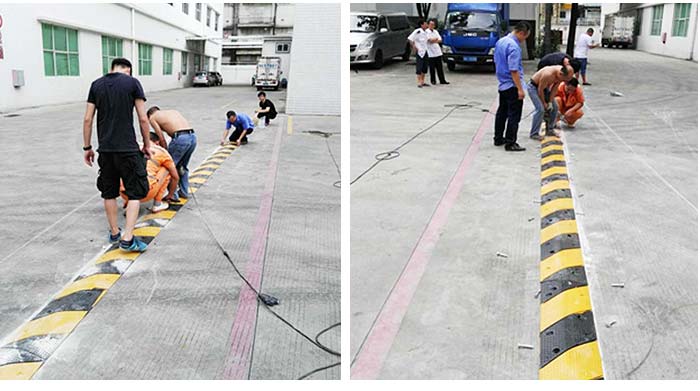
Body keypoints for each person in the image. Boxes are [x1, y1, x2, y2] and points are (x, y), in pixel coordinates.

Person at [83, 57, 151, 252]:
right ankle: (128, 238)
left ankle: (114, 232)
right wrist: (147, 145)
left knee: (109, 192)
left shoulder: (96, 85)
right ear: (128, 70)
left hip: (105, 150)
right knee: (135, 192)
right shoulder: (132, 83)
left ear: (111, 69)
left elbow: (88, 119)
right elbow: (143, 119)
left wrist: (87, 148)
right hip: (128, 150)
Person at [493, 21, 531, 152]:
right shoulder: (514, 47)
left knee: (502, 112)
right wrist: (520, 89)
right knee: (514, 115)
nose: (523, 41)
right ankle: (510, 142)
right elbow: (513, 70)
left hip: (502, 84)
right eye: (524, 37)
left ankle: (498, 138)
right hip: (512, 85)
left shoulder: (501, 41)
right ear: (521, 33)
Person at [146, 106, 197, 202]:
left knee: (168, 167)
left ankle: (173, 195)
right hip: (193, 137)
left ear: (149, 115)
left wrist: (163, 151)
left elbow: (161, 138)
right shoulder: (173, 111)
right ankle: (184, 192)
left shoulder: (153, 117)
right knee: (182, 167)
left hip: (180, 138)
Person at [120, 132, 179, 213]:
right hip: (146, 193)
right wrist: (170, 195)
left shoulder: (133, 147)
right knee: (167, 169)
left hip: (123, 192)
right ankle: (157, 204)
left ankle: (128, 203)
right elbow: (175, 177)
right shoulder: (162, 152)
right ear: (157, 143)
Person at [527, 64, 574, 140]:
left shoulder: (561, 75)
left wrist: (550, 102)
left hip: (545, 89)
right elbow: (540, 90)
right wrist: (544, 103)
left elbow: (554, 88)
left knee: (555, 107)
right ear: (560, 74)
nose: (565, 82)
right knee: (540, 109)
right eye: (565, 79)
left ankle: (550, 129)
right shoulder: (548, 74)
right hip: (534, 88)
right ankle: (534, 133)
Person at [408, 19, 430, 88]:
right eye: (425, 23)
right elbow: (410, 39)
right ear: (422, 25)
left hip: (425, 51)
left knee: (425, 67)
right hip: (420, 51)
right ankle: (419, 82)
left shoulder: (426, 32)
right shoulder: (417, 31)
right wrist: (414, 46)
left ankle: (423, 81)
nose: (426, 25)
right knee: (419, 67)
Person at [427, 19, 449, 85]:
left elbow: (440, 40)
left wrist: (434, 40)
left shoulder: (435, 31)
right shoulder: (426, 32)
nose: (432, 26)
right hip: (430, 53)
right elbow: (429, 40)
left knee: (440, 68)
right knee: (432, 68)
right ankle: (433, 80)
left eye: (433, 25)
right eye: (430, 24)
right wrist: (434, 40)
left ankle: (442, 80)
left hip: (438, 52)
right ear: (428, 25)